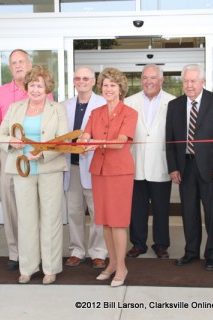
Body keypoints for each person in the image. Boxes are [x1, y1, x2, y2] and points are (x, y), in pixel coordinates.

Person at [0, 65, 68, 285]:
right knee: (26, 220)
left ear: (48, 88)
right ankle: (27, 267)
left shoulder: (57, 109)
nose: (36, 89)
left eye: (40, 85)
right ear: (27, 86)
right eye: (32, 85)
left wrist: (43, 153)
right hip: (21, 170)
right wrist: (10, 141)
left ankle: (50, 268)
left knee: (51, 220)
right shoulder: (15, 108)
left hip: (49, 170)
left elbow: (63, 141)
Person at [165, 64, 213, 271]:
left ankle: (212, 254)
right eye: (185, 81)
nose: (189, 85)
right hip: (185, 168)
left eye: (193, 81)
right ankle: (191, 252)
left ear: (202, 82)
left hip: (212, 169)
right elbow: (170, 140)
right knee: (189, 212)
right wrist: (173, 167)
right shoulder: (175, 105)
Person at [79, 67, 138, 287]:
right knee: (103, 221)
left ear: (121, 88)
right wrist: (83, 143)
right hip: (99, 172)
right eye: (105, 85)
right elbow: (86, 135)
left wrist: (95, 143)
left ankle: (122, 267)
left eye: (113, 85)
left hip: (120, 173)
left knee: (118, 222)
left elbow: (121, 141)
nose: (108, 89)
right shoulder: (96, 113)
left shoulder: (130, 113)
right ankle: (111, 264)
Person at [0, 49, 32, 271]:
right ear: (10, 68)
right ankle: (15, 253)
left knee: (33, 206)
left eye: (21, 61)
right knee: (10, 206)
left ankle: (34, 251)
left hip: (35, 157)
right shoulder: (2, 92)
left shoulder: (41, 90)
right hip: (8, 156)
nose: (18, 66)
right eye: (13, 63)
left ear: (29, 64)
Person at [125, 64, 175, 259]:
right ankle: (138, 243)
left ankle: (161, 244)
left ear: (161, 80)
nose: (148, 82)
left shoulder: (173, 102)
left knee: (162, 208)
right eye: (145, 78)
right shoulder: (129, 102)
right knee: (137, 208)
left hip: (161, 164)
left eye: (153, 78)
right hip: (136, 163)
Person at [61, 66, 108, 269]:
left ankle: (98, 251)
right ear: (73, 81)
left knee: (97, 212)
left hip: (93, 166)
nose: (82, 81)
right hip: (70, 167)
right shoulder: (64, 106)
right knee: (74, 211)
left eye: (86, 78)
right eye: (78, 78)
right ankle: (77, 250)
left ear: (93, 80)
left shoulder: (104, 103)